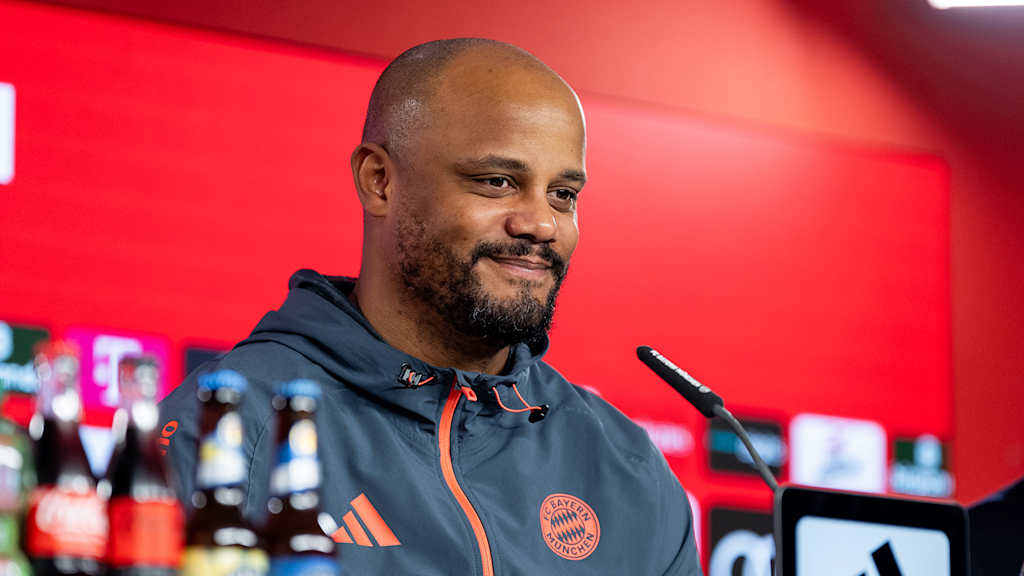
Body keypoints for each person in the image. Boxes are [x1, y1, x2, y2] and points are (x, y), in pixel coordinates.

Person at [159, 38, 702, 575]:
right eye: (497, 182)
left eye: (564, 194)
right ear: (379, 182)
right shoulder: (225, 435)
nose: (541, 224)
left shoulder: (628, 469)